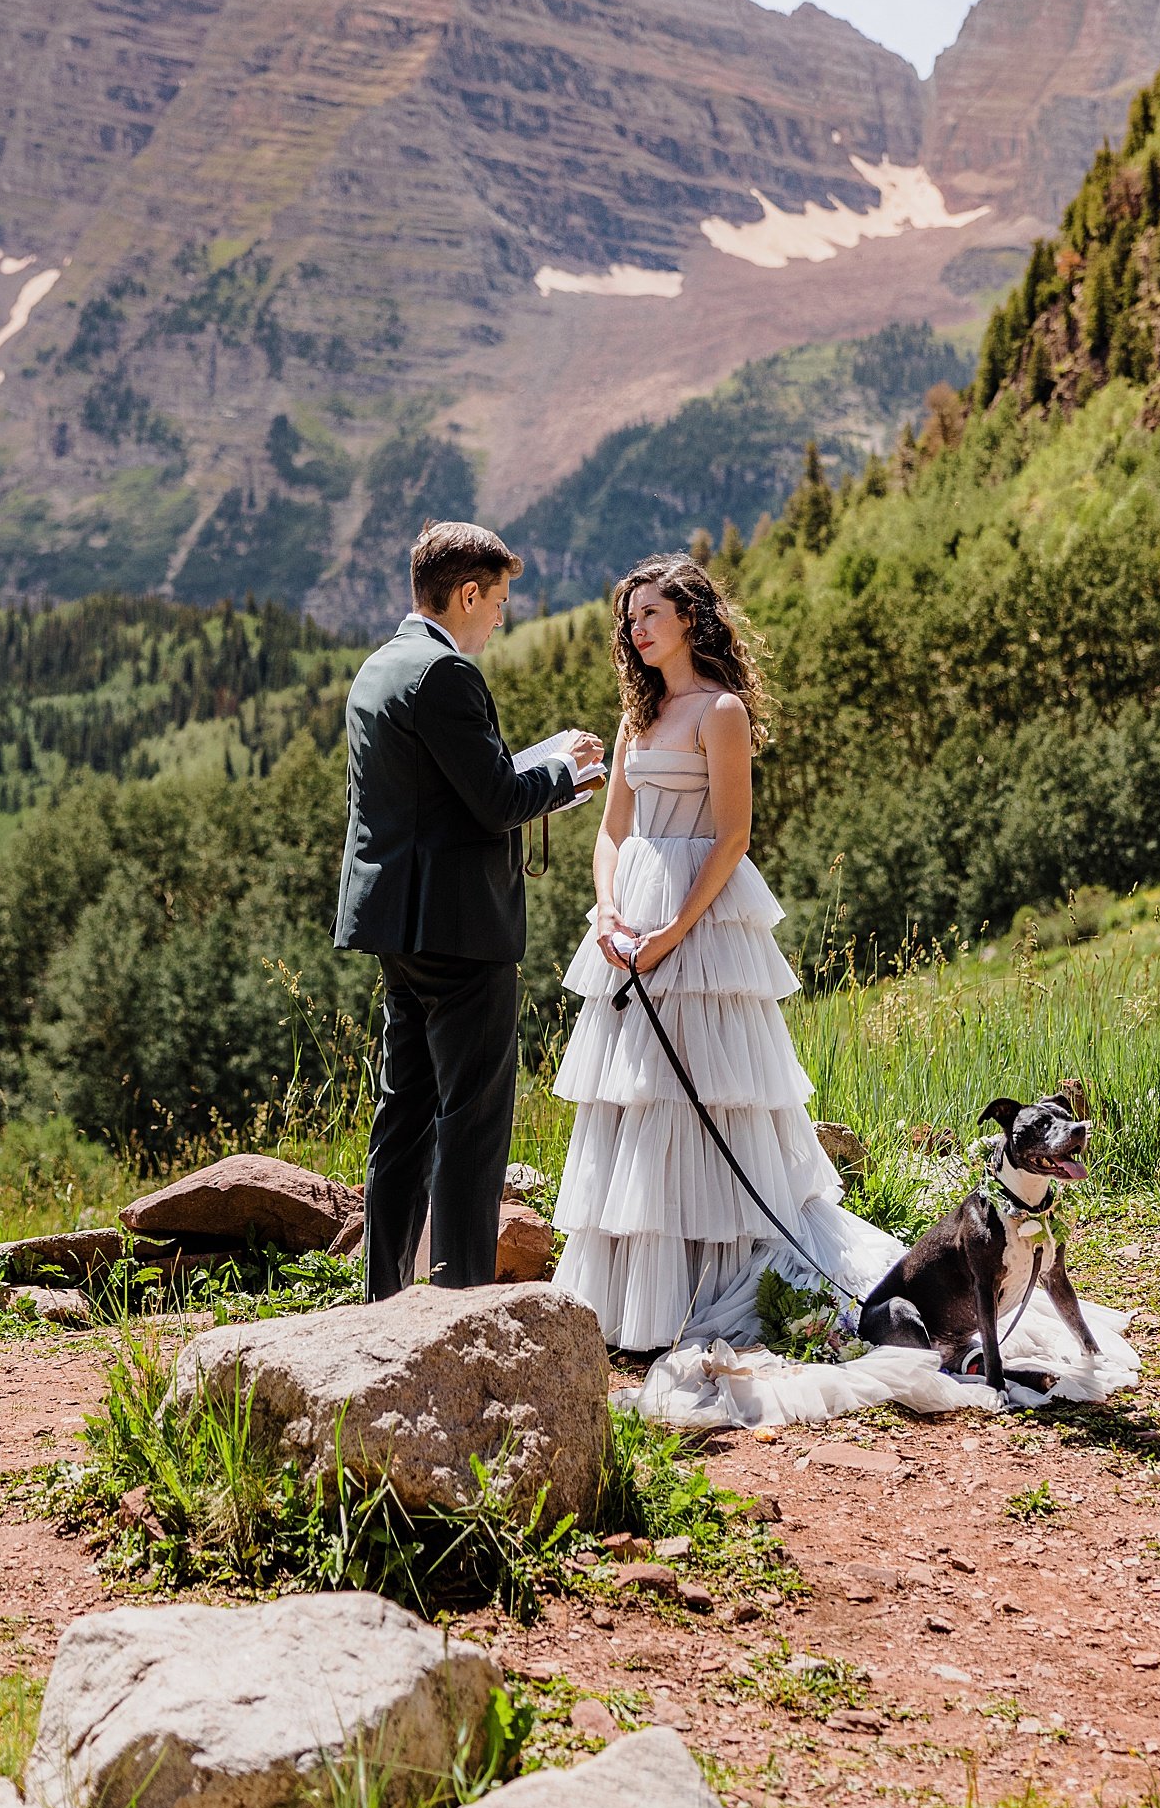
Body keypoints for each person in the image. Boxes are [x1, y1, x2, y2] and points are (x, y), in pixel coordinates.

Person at [552, 551, 881, 1353]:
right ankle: (633, 1307)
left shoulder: (719, 711)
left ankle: (720, 1281)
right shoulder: (638, 717)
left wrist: (671, 934)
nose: (635, 628)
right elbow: (611, 832)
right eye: (629, 618)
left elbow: (732, 836)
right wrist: (606, 912)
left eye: (650, 614)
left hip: (697, 918)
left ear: (691, 619)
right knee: (634, 1101)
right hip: (626, 915)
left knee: (706, 1095)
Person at [336, 520, 605, 1298]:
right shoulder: (449, 675)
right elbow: (493, 802)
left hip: (401, 927)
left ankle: (382, 1293)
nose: (502, 615)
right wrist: (566, 773)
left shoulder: (381, 666)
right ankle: (461, 1302)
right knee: (473, 1122)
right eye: (499, 599)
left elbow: (432, 797)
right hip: (462, 929)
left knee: (405, 1114)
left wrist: (534, 766)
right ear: (466, 593)